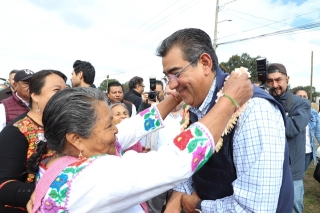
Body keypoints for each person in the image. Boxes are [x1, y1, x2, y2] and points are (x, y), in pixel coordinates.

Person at [27, 72, 253, 213]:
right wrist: (229, 100)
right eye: (108, 125)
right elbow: (177, 161)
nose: (116, 129)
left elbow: (136, 125)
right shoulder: (90, 177)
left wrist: (175, 96)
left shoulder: (67, 156)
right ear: (76, 138)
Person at [157, 28, 293, 213]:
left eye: (176, 73)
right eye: (167, 77)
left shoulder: (254, 110)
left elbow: (256, 209)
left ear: (205, 63)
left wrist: (197, 205)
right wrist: (177, 197)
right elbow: (188, 166)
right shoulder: (193, 108)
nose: (171, 85)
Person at [0, 70, 67, 213]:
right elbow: (4, 186)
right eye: (57, 90)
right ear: (35, 95)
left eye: (66, 90)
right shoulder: (16, 132)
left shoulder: (66, 127)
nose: (65, 96)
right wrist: (49, 192)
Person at [266, 63, 310, 213]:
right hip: (270, 167)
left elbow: (292, 128)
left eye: (279, 80)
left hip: (293, 171)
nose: (275, 85)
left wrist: (267, 115)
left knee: (294, 206)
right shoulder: (265, 101)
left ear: (287, 79)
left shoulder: (302, 103)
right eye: (270, 81)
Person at [146, 84, 187, 213]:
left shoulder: (190, 115)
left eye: (177, 93)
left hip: (182, 174)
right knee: (153, 209)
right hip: (157, 172)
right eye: (169, 94)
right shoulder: (156, 114)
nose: (173, 97)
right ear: (163, 94)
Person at [293, 88, 320, 171]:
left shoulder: (313, 113)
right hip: (294, 152)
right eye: (299, 96)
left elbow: (318, 133)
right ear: (294, 98)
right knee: (293, 176)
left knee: (300, 175)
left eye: (305, 96)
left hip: (308, 152)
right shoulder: (289, 112)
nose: (302, 98)